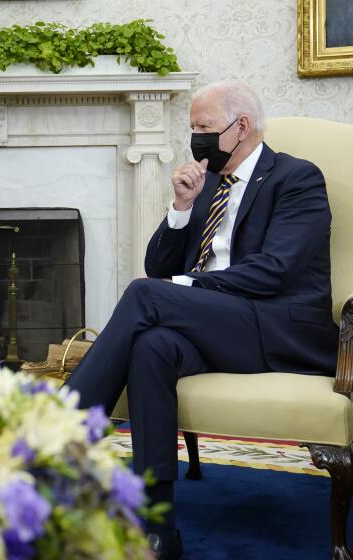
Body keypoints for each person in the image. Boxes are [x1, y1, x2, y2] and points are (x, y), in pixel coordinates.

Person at [63, 80, 338, 560]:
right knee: (152, 348)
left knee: (147, 296)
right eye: (192, 128)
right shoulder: (206, 183)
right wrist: (180, 209)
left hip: (275, 328)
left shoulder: (297, 178)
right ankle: (158, 527)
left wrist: (186, 287)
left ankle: (62, 430)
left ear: (242, 127)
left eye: (205, 128)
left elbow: (276, 271)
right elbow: (157, 265)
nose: (196, 138)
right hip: (211, 324)